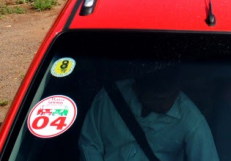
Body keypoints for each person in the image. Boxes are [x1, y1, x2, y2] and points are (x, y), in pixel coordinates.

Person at [79, 69, 219, 161]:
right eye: (158, 99)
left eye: (173, 96)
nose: (166, 105)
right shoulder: (109, 98)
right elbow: (89, 144)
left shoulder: (191, 120)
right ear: (137, 90)